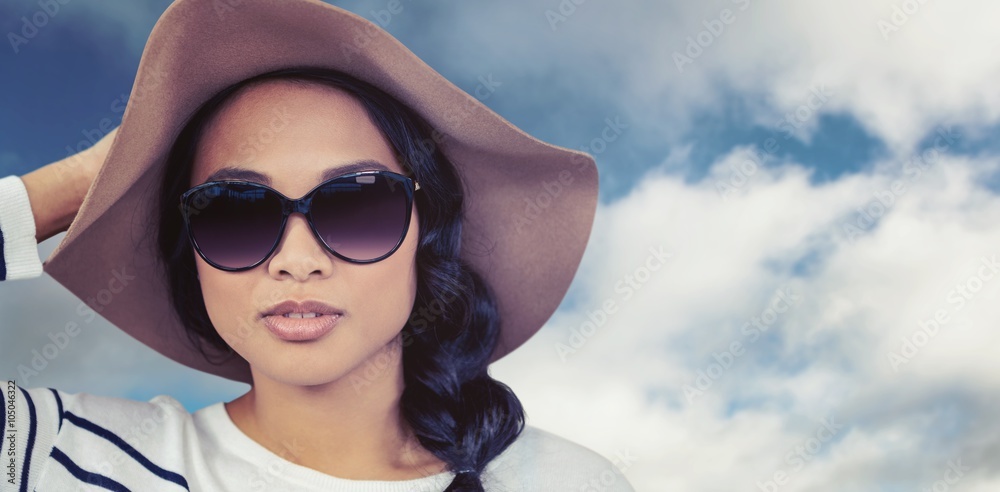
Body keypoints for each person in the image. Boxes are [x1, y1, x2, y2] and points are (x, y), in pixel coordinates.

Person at [0, 1, 635, 491]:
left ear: (426, 234)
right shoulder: (66, 458)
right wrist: (87, 177)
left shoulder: (566, 480)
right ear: (190, 253)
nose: (296, 259)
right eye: (233, 212)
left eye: (357, 204)